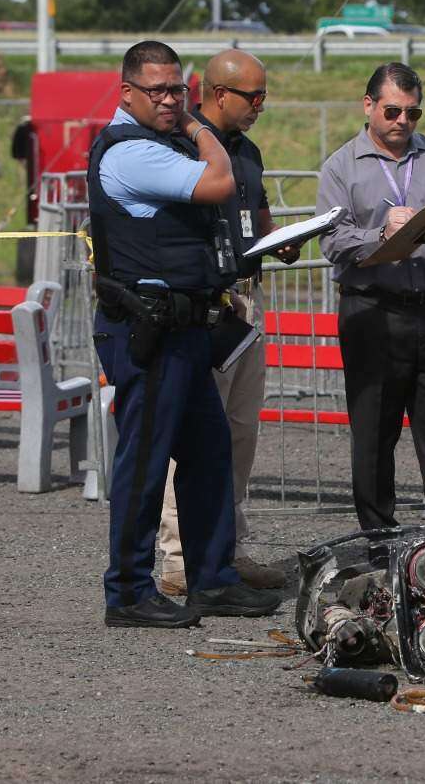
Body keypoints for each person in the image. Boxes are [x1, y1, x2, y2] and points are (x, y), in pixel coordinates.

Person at [89, 40, 281, 627]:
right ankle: (128, 591)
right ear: (127, 93)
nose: (171, 100)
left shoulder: (156, 144)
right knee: (145, 463)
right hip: (149, 330)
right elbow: (220, 181)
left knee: (208, 455)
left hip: (186, 329)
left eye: (178, 89)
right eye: (159, 91)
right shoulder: (131, 152)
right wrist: (200, 126)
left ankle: (213, 580)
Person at [316, 62, 425, 544]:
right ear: (368, 105)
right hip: (371, 308)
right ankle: (379, 536)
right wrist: (381, 234)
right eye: (392, 111)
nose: (403, 121)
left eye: (413, 113)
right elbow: (332, 240)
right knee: (374, 431)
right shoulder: (341, 166)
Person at [154, 49, 293, 597]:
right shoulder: (181, 146)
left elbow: (257, 217)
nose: (260, 106)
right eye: (252, 97)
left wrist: (280, 239)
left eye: (265, 97)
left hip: (246, 299)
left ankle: (225, 551)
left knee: (239, 433)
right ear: (218, 93)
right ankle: (177, 558)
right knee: (191, 436)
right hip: (206, 304)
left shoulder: (248, 151)